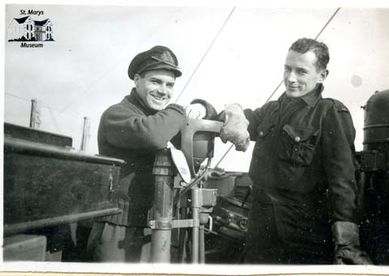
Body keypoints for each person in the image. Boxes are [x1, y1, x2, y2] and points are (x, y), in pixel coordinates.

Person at [220, 38, 372, 264]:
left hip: (304, 232)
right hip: (259, 227)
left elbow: (343, 180)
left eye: (301, 71)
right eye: (287, 69)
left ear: (322, 75)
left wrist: (347, 242)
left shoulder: (329, 113)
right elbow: (238, 120)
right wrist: (231, 111)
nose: (291, 78)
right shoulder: (271, 110)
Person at [86, 45, 216, 262]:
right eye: (155, 82)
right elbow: (152, 135)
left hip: (158, 224)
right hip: (119, 227)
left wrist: (202, 107)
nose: (163, 91)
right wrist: (180, 110)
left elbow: (203, 130)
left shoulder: (163, 119)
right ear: (137, 80)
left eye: (169, 85)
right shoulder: (116, 115)